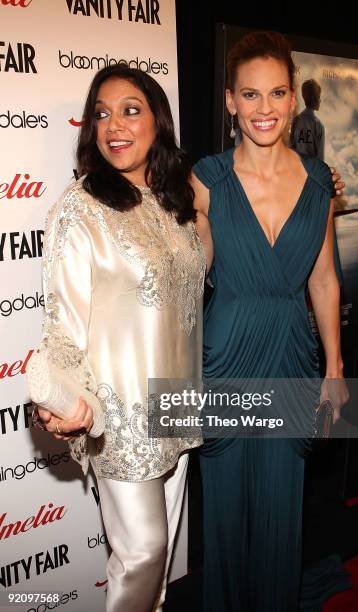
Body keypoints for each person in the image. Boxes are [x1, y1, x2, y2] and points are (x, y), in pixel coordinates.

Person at [30, 64, 208, 612]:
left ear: (158, 120)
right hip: (124, 418)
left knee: (157, 559)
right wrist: (59, 396)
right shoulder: (79, 210)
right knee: (143, 554)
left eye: (131, 110)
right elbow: (62, 323)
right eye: (102, 114)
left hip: (177, 407)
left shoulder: (176, 203)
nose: (115, 125)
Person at [191, 31, 347, 611]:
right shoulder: (205, 179)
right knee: (227, 512)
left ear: (291, 97)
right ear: (230, 100)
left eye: (277, 93)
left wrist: (334, 364)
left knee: (282, 509)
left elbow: (324, 279)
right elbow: (187, 265)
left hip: (290, 359)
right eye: (250, 95)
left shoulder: (318, 182)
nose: (264, 109)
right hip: (225, 361)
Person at [290, 78, 325, 160]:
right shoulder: (318, 125)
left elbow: (290, 149)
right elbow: (320, 160)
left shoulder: (296, 121)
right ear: (315, 98)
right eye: (318, 96)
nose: (320, 100)